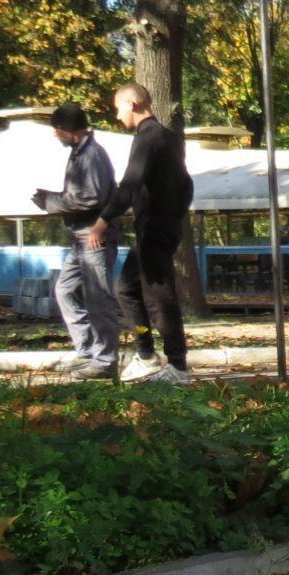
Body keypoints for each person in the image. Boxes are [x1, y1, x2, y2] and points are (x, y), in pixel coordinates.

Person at [91, 83, 194, 383]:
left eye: (118, 107)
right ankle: (146, 352)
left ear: (133, 103)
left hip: (154, 229)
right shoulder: (170, 138)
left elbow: (130, 184)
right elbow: (186, 185)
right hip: (160, 226)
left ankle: (177, 366)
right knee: (127, 290)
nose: (117, 115)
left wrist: (103, 220)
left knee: (160, 298)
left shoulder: (148, 138)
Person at [32, 101, 119, 378]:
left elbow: (91, 197)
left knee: (98, 298)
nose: (55, 135)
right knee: (65, 290)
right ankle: (87, 352)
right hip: (79, 237)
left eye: (58, 130)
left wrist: (51, 202)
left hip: (94, 236)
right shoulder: (79, 153)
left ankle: (105, 361)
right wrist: (53, 198)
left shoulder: (91, 155)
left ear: (69, 130)